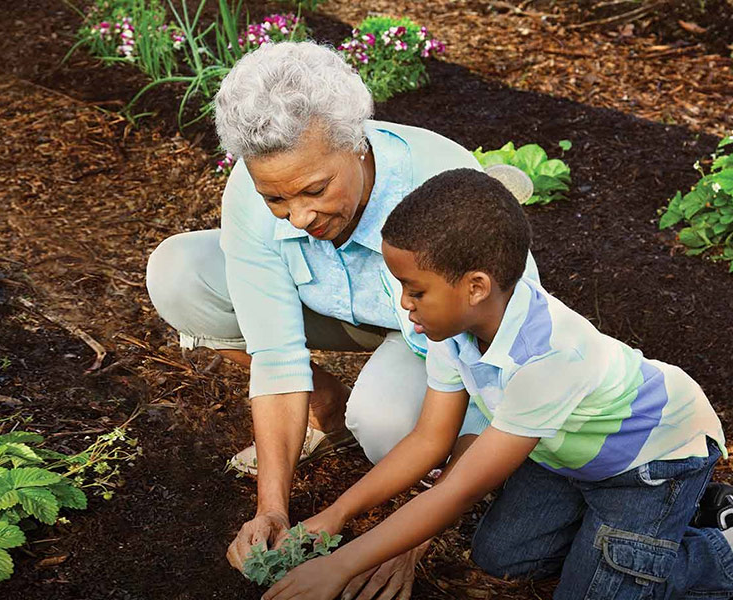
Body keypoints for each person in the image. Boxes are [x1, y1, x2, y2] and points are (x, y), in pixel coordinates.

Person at [264, 169, 733, 600]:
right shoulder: (452, 330)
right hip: (567, 456)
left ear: (475, 286)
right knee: (502, 558)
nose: (403, 304)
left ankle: (723, 539)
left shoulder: (547, 359)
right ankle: (628, 537)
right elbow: (429, 442)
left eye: (414, 289)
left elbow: (458, 489)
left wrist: (339, 566)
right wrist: (332, 517)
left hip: (652, 463)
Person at [143, 41, 539, 590]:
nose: (299, 215)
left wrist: (411, 541)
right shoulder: (257, 187)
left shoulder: (443, 193)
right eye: (276, 199)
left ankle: (372, 411)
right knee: (179, 273)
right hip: (335, 308)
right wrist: (272, 511)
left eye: (315, 189)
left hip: (434, 334)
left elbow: (507, 382)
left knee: (385, 425)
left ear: (357, 143)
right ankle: (322, 408)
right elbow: (275, 354)